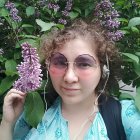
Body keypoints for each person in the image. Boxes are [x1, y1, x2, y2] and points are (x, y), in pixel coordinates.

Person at [0, 20, 140, 140]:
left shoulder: (124, 116)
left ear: (103, 70)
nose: (69, 77)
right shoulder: (33, 111)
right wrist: (7, 123)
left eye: (84, 64)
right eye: (60, 62)